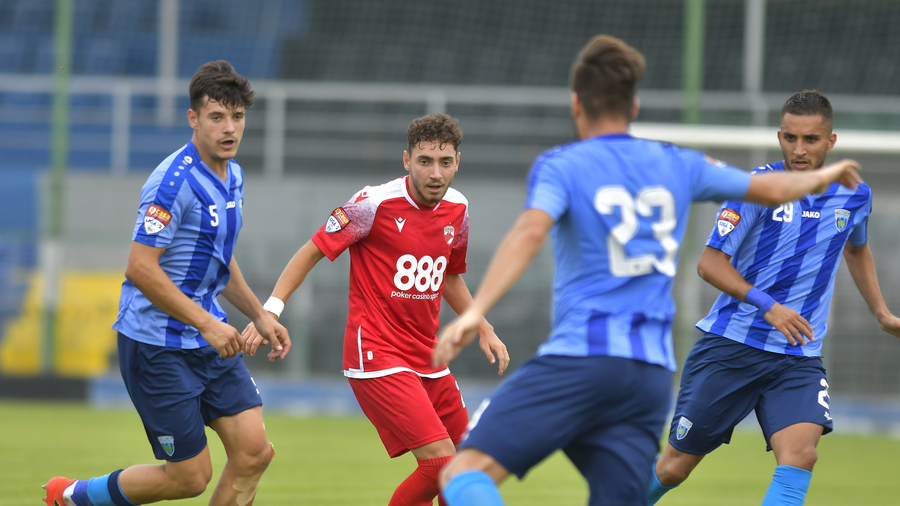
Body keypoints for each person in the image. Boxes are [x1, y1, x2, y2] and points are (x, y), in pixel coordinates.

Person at [431, 37, 864, 506]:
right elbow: (771, 188)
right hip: (648, 376)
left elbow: (529, 232)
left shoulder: (563, 165)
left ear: (576, 103)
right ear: (634, 104)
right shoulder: (678, 162)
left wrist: (479, 312)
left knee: (463, 475)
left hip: (582, 357)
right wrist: (823, 175)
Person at [43, 60, 290, 506]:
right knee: (190, 478)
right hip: (156, 345)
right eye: (217, 117)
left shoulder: (232, 175)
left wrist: (259, 314)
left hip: (207, 339)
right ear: (193, 118)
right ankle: (74, 497)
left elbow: (218, 257)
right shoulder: (171, 183)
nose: (229, 127)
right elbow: (139, 267)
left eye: (237, 116)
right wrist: (209, 324)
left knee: (255, 453)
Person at [645, 90, 900, 506]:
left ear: (830, 142)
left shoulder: (855, 195)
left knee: (801, 455)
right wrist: (768, 304)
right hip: (732, 347)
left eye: (811, 140)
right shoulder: (758, 189)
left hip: (798, 356)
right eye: (790, 138)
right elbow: (709, 263)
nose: (799, 150)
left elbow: (856, 248)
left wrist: (882, 312)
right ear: (780, 136)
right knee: (674, 467)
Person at [241, 112, 509, 506]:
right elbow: (312, 250)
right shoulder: (373, 203)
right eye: (425, 161)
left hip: (428, 356)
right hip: (377, 354)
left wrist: (483, 326)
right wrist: (271, 311)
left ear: (457, 163)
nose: (436, 172)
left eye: (445, 162)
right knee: (439, 465)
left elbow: (448, 275)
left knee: (466, 468)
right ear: (406, 160)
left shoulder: (458, 208)